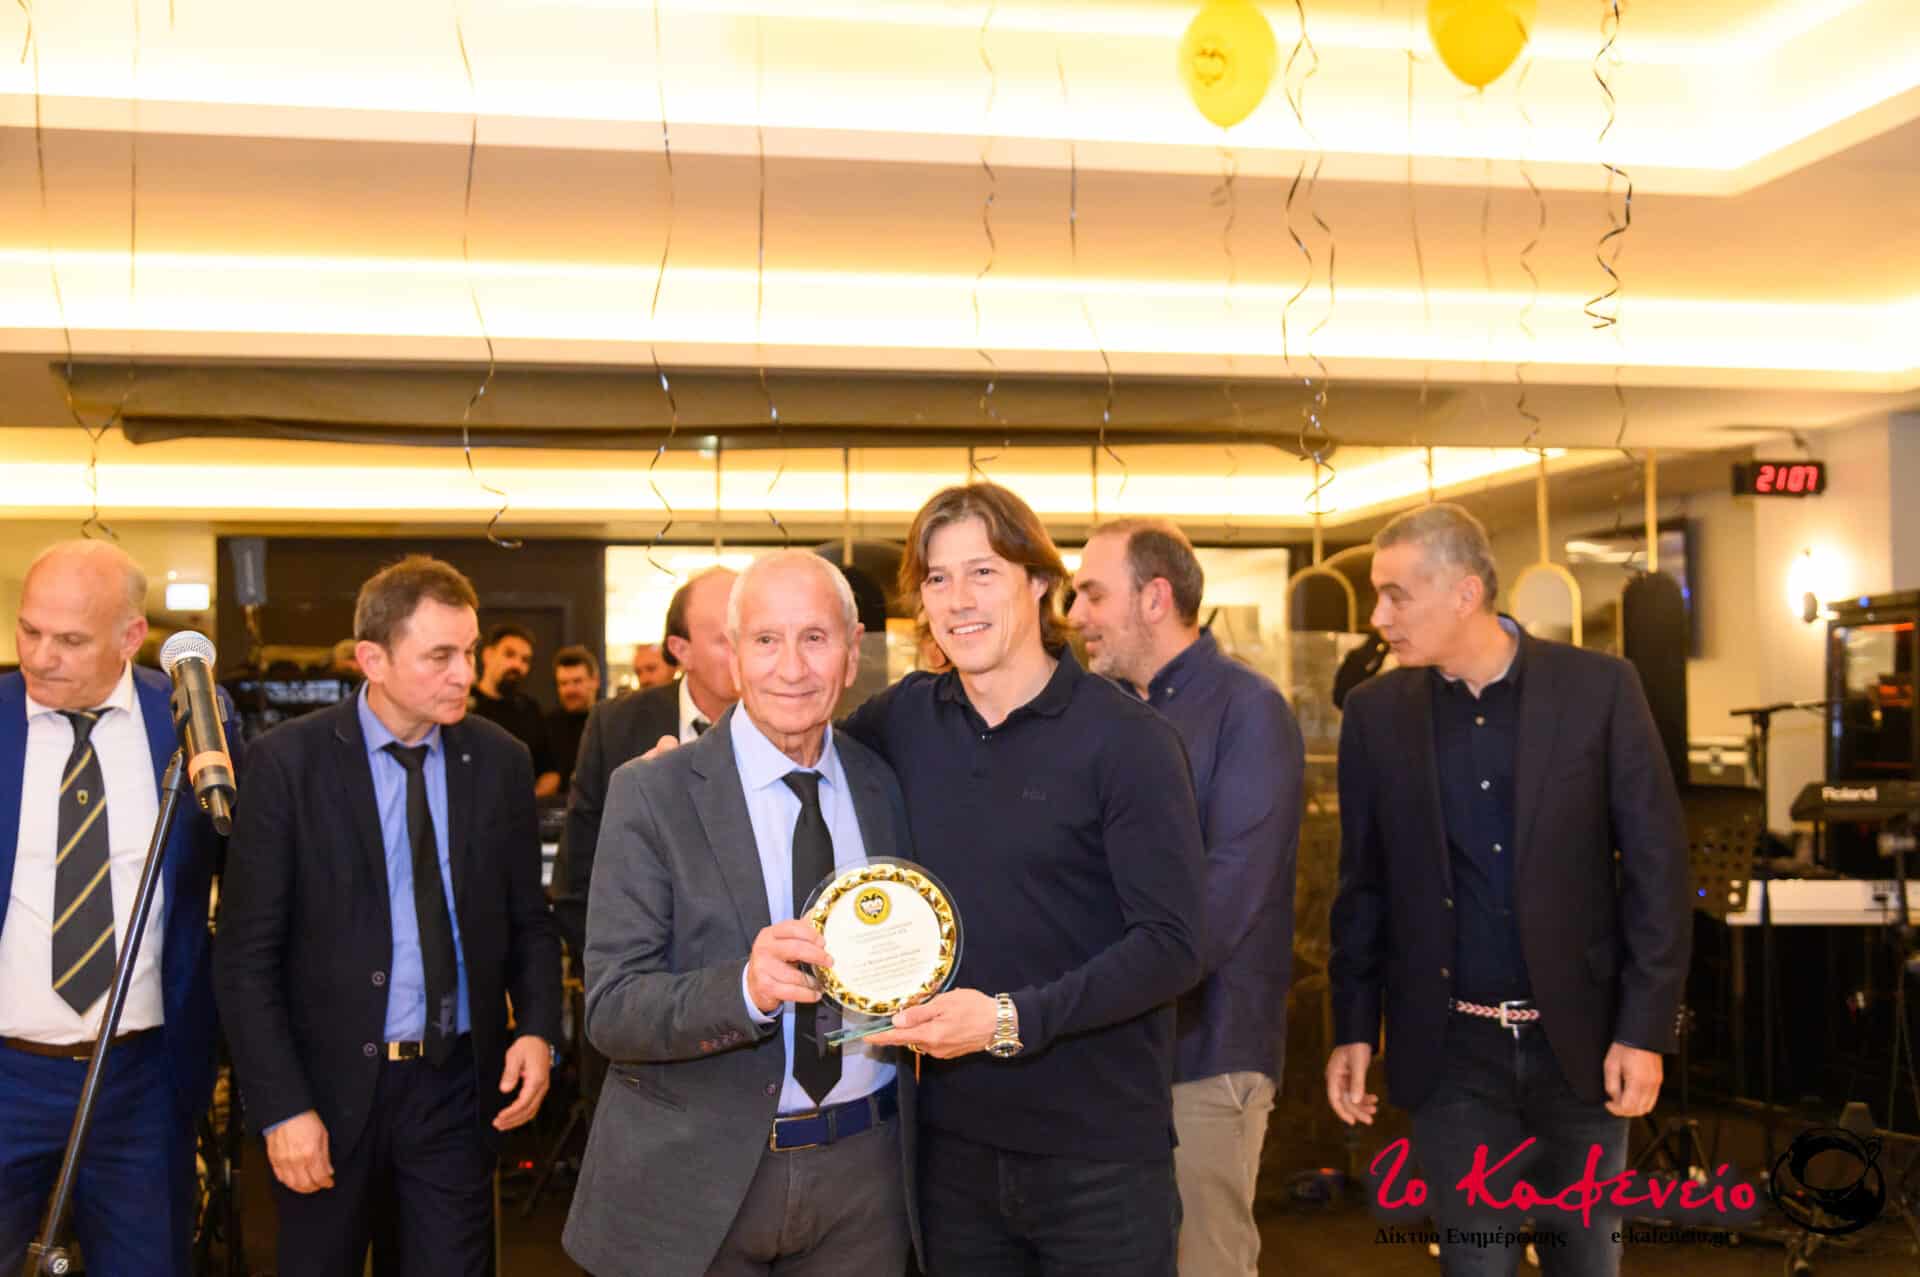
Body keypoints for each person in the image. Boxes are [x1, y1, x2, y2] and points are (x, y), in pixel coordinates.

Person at [849, 483, 1206, 1275]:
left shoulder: (1129, 740)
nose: (958, 599)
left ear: (1040, 581)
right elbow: (800, 760)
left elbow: (1173, 945)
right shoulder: (903, 719)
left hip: (1101, 1157)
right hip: (950, 1154)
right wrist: (693, 766)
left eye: (983, 572)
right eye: (937, 578)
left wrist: (1007, 1019)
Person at [1325, 503, 1690, 1277]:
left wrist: (1645, 1028)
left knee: (1584, 1263)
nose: (1379, 617)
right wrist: (1353, 1025)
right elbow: (1363, 887)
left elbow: (1658, 871)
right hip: (1452, 1054)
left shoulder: (1600, 689)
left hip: (1583, 1049)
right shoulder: (1375, 714)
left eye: (1395, 595)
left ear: (1465, 593)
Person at [563, 550, 919, 1277]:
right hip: (696, 1182)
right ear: (732, 652)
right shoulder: (652, 792)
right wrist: (745, 990)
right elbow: (612, 1007)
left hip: (865, 1180)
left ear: (852, 653)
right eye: (765, 639)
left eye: (815, 637)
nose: (792, 667)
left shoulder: (883, 784)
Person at [214, 554, 563, 1277]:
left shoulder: (499, 760)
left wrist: (536, 1027)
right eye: (440, 656)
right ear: (373, 659)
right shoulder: (287, 764)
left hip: (454, 1087)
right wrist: (281, 1108)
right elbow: (245, 957)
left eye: (469, 652)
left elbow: (528, 919)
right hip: (326, 1091)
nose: (465, 674)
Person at [1068, 517, 1304, 1277]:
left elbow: (1224, 904)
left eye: (1092, 594)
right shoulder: (1099, 710)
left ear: (1155, 598)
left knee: (1205, 1261)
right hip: (1106, 1053)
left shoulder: (1249, 710)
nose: (1074, 615)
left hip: (1206, 1053)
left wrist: (1079, 997)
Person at [0, 540, 239, 1275]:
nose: (41, 657)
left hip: (141, 1079)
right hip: (7, 1073)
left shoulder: (191, 721)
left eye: (70, 640)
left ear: (131, 636)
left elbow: (239, 875)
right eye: (29, 630)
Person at [552, 568, 737, 959]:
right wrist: (618, 973)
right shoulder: (616, 725)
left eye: (758, 635)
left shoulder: (790, 725)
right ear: (681, 650)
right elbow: (579, 870)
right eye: (727, 638)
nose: (746, 651)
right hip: (645, 971)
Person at [468, 623, 561, 797]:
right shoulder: (463, 705)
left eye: (525, 660)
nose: (517, 665)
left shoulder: (530, 709)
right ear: (487, 655)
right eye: (509, 654)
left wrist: (527, 800)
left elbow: (550, 773)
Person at [545, 645, 601, 794]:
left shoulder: (609, 723)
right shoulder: (547, 725)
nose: (570, 690)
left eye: (577, 681)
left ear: (595, 681)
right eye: (563, 683)